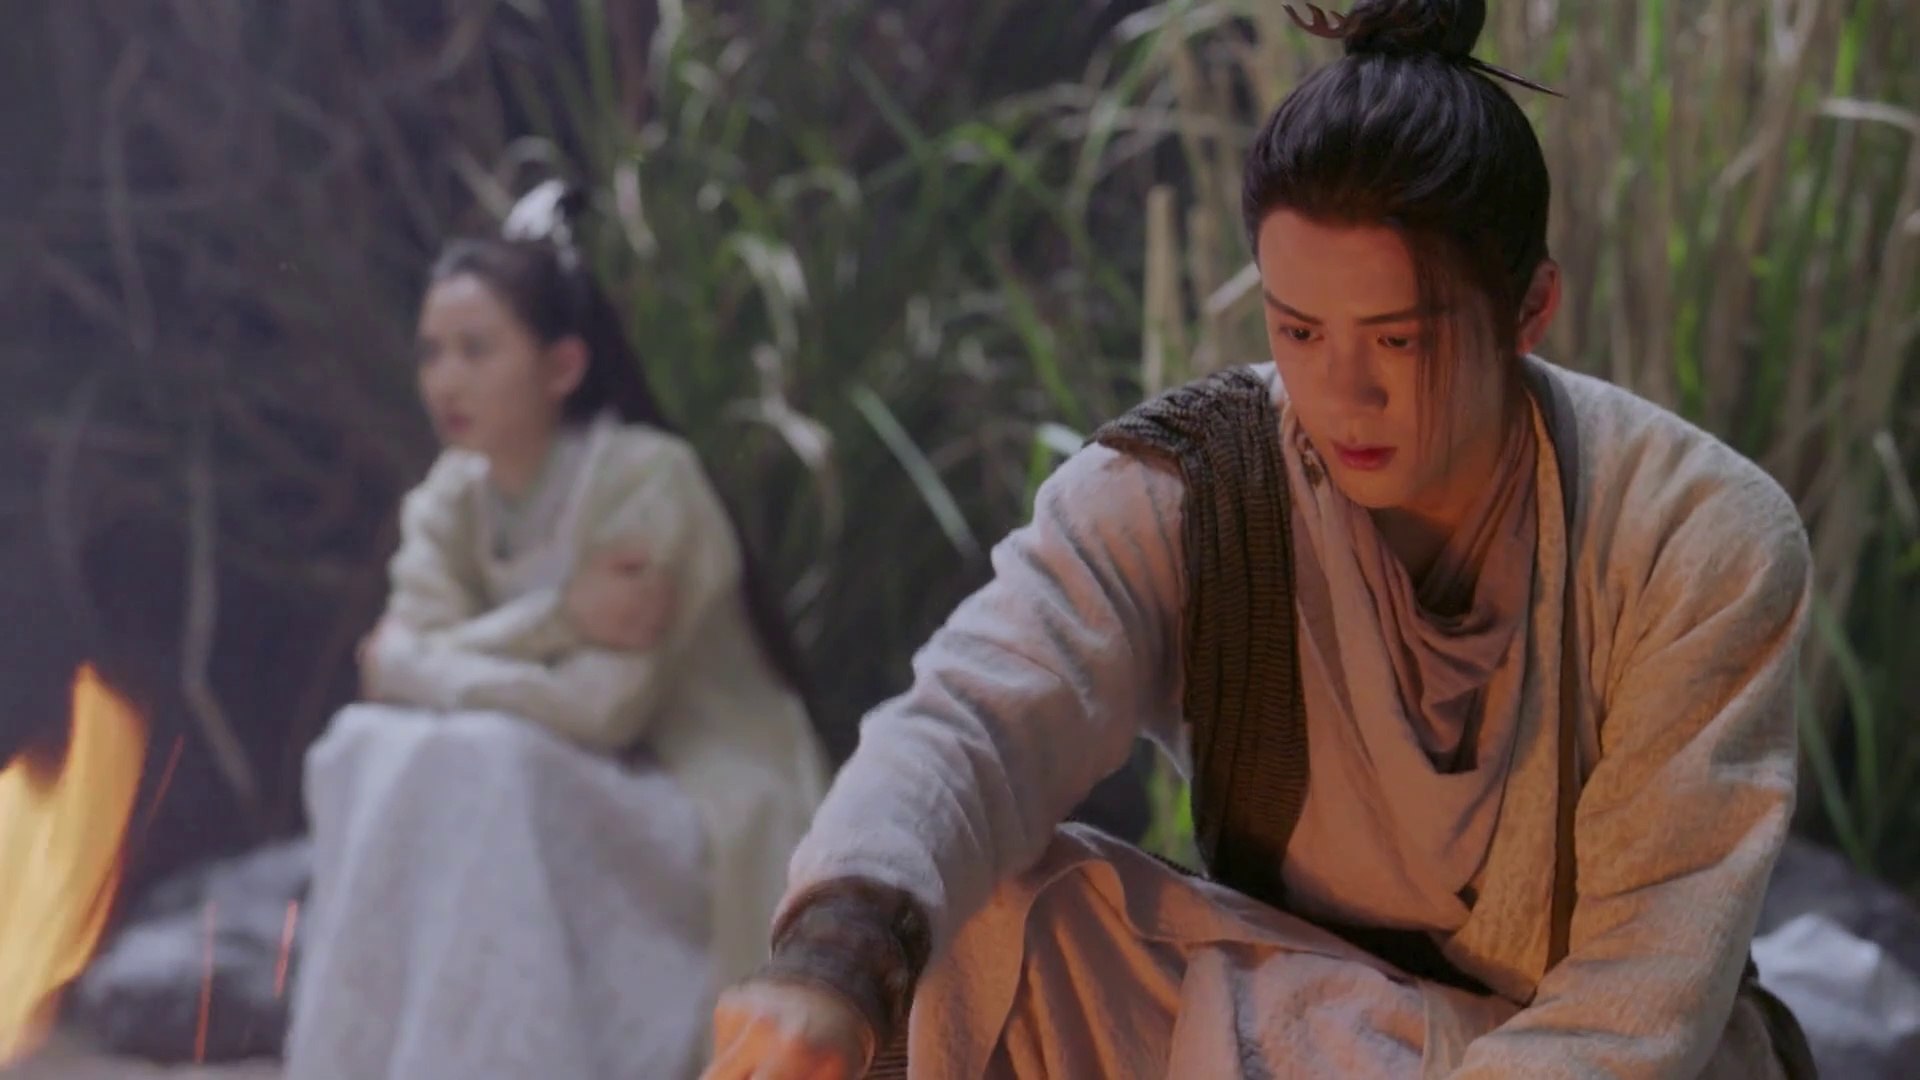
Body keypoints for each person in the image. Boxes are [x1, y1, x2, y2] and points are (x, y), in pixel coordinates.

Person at [701, 2, 1818, 1077]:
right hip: (1315, 1024)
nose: (1342, 392)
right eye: (1299, 330)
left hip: (1599, 1059)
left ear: (1529, 309)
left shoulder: (1695, 540)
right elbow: (975, 720)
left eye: (1397, 340)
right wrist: (833, 959)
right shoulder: (1203, 484)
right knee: (972, 914)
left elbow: (1639, 998)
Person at [286, 183, 831, 1080]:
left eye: (476, 349)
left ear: (563, 366)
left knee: (486, 759)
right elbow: (392, 677)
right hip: (562, 783)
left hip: (696, 790)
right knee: (362, 743)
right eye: (432, 353)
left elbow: (601, 710)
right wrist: (558, 616)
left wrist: (423, 664)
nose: (446, 380)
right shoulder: (451, 498)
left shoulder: (647, 482)